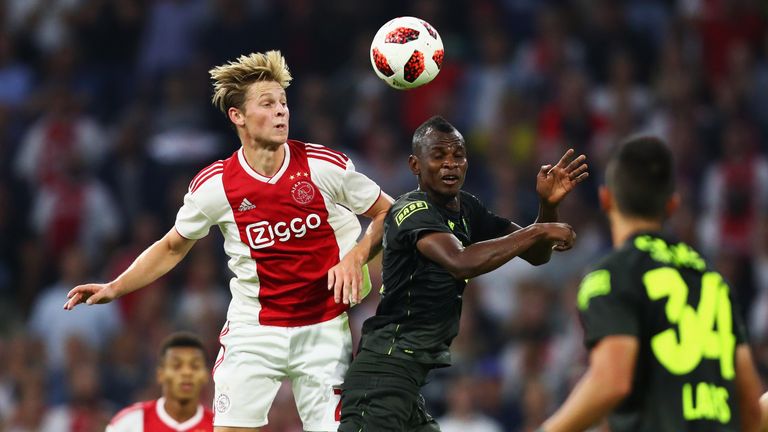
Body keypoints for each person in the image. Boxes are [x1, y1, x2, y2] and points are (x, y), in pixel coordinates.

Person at [65, 50, 393, 432]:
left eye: (283, 103)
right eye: (267, 104)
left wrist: (357, 254)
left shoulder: (323, 166)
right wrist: (115, 286)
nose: (281, 112)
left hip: (323, 327)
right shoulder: (216, 185)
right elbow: (173, 246)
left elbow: (389, 212)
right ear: (237, 116)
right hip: (253, 330)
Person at [338, 115, 588, 431]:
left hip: (408, 381)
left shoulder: (468, 209)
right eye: (439, 156)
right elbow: (460, 261)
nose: (450, 164)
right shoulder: (410, 210)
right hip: (384, 373)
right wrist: (538, 230)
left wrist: (547, 208)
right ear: (415, 165)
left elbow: (536, 256)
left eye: (458, 155)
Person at [538, 136, 764, 432]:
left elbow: (611, 382)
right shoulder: (712, 281)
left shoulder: (611, 276)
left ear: (607, 200)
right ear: (672, 204)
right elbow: (750, 408)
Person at [106, 332, 213, 431]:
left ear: (205, 375)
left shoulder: (218, 427)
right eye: (176, 365)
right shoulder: (129, 423)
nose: (186, 373)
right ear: (160, 374)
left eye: (195, 366)